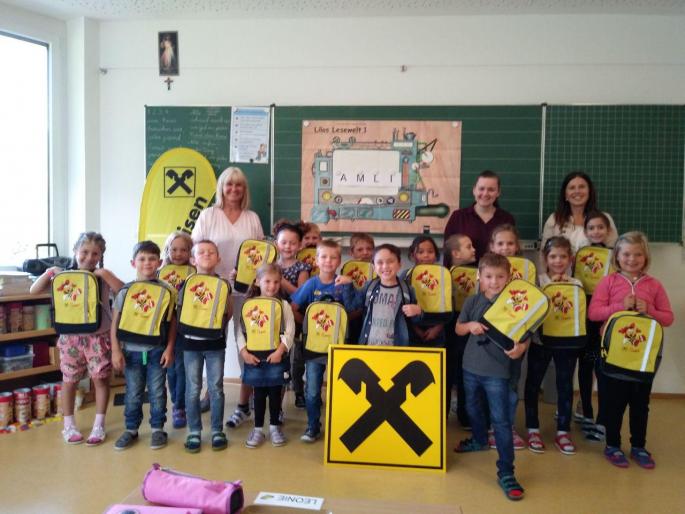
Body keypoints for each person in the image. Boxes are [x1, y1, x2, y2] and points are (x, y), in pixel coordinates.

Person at [588, 232, 673, 469]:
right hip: (611, 354)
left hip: (643, 357)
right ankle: (613, 445)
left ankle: (638, 446)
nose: (632, 259)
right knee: (613, 402)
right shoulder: (608, 282)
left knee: (640, 403)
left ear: (646, 256)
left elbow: (668, 318)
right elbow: (593, 314)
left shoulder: (654, 285)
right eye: (626, 253)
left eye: (638, 254)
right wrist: (618, 307)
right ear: (617, 255)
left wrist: (650, 311)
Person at [30, 232, 123, 446]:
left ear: (100, 256)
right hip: (70, 338)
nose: (89, 257)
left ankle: (99, 424)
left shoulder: (101, 275)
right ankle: (68, 424)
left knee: (100, 379)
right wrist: (50, 272)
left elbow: (124, 290)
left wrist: (105, 274)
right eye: (85, 252)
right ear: (75, 251)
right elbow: (33, 290)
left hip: (98, 337)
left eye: (95, 254)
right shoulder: (63, 275)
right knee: (69, 380)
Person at [191, 166, 264, 429]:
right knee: (210, 344)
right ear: (221, 188)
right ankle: (210, 392)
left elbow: (261, 254)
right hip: (212, 291)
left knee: (248, 344)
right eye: (229, 185)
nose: (234, 189)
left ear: (245, 189)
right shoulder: (209, 215)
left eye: (239, 185)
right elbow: (195, 249)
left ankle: (248, 398)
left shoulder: (252, 218)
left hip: (246, 292)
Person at [454, 253, 529, 501]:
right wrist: (470, 326)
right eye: (488, 276)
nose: (494, 282)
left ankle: (506, 472)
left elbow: (525, 334)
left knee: (501, 422)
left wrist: (521, 348)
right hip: (470, 368)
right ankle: (478, 439)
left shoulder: (515, 304)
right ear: (479, 277)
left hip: (498, 373)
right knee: (471, 408)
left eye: (500, 277)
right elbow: (458, 327)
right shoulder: (472, 301)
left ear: (509, 279)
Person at [290, 240, 361, 443]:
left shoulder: (345, 282)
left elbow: (355, 308)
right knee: (312, 390)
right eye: (324, 257)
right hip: (314, 347)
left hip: (339, 346)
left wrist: (348, 289)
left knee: (340, 389)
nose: (328, 261)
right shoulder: (311, 284)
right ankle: (313, 426)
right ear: (316, 260)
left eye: (333, 257)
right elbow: (293, 306)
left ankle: (340, 427)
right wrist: (308, 325)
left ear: (339, 260)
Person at [111, 241, 176, 450]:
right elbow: (115, 322)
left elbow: (171, 322)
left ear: (159, 262)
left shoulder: (168, 291)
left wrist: (169, 348)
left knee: (157, 391)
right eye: (142, 258)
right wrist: (116, 349)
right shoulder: (126, 291)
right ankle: (131, 429)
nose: (147, 263)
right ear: (133, 263)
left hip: (157, 350)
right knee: (133, 392)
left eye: (151, 258)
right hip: (131, 351)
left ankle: (158, 429)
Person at [524, 236, 583, 455]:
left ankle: (563, 431)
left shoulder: (576, 284)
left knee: (565, 384)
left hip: (567, 344)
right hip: (541, 341)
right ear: (545, 258)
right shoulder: (537, 282)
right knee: (533, 383)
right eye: (553, 256)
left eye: (563, 256)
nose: (558, 261)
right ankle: (532, 428)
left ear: (570, 259)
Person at [181, 240, 232, 453]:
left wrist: (213, 327)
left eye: (211, 252)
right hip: (190, 343)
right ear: (193, 260)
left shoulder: (224, 284)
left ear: (218, 258)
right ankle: (194, 431)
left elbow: (228, 313)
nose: (207, 255)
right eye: (201, 252)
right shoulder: (186, 282)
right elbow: (179, 310)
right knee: (192, 388)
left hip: (215, 343)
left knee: (216, 388)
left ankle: (217, 430)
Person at [238, 264, 295, 448]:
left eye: (276, 282)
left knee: (275, 393)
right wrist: (244, 352)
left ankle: (274, 427)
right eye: (267, 281)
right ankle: (258, 429)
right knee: (259, 393)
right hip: (254, 357)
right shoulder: (249, 305)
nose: (272, 286)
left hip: (276, 358)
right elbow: (241, 331)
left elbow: (290, 330)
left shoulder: (283, 305)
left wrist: (280, 351)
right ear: (257, 281)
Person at [487, 224, 526, 450]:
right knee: (490, 385)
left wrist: (523, 341)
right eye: (500, 243)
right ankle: (490, 426)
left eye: (510, 243)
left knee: (510, 384)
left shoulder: (526, 271)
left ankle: (507, 427)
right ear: (492, 246)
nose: (505, 248)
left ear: (517, 246)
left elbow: (532, 308)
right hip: (489, 341)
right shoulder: (485, 271)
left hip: (514, 340)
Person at [575, 211, 613, 440]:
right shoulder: (580, 254)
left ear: (608, 231)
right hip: (585, 313)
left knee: (603, 365)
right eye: (591, 228)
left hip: (605, 314)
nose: (596, 231)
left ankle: (603, 417)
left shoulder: (615, 255)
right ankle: (586, 409)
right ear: (586, 231)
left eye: (600, 227)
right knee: (585, 363)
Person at [159, 231, 195, 430]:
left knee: (181, 367)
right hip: (163, 324)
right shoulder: (160, 271)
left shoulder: (193, 271)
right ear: (168, 250)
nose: (178, 253)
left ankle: (179, 406)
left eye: (183, 250)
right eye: (174, 249)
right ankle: (175, 402)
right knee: (169, 368)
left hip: (183, 324)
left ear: (190, 251)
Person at [273, 220, 310, 409]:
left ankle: (298, 390)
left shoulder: (302, 268)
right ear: (276, 243)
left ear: (300, 245)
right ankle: (274, 396)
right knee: (277, 355)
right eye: (283, 242)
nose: (288, 246)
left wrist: (281, 280)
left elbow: (300, 295)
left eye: (292, 243)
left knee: (296, 358)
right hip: (274, 320)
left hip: (294, 317)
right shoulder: (270, 264)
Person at [443, 170, 515, 262]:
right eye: (481, 189)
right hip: (463, 275)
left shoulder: (506, 219)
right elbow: (448, 254)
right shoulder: (458, 217)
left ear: (498, 192)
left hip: (495, 275)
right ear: (474, 190)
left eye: (491, 190)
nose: (485, 194)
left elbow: (512, 254)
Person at [358, 244, 423, 346]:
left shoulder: (407, 290)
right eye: (380, 262)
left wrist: (418, 312)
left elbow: (414, 320)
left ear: (399, 264)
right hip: (369, 347)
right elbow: (353, 305)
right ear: (374, 267)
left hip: (396, 349)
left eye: (390, 261)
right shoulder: (369, 287)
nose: (385, 266)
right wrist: (348, 284)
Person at [443, 233, 476, 426]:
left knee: (466, 373)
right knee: (447, 372)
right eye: (468, 246)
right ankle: (443, 413)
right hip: (449, 327)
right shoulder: (443, 275)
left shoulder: (480, 273)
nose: (473, 249)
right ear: (456, 253)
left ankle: (465, 415)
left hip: (468, 328)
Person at [541, 171, 618, 253]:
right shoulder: (554, 219)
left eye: (582, 187)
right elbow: (544, 253)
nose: (577, 191)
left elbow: (615, 252)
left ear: (589, 192)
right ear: (566, 195)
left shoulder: (605, 218)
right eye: (572, 188)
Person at [402, 235, 450, 347]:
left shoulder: (444, 275)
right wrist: (415, 329)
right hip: (412, 330)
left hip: (437, 329)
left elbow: (448, 305)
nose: (426, 255)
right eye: (420, 252)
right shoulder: (405, 276)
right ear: (413, 255)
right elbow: (402, 305)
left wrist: (437, 328)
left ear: (436, 255)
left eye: (430, 251)